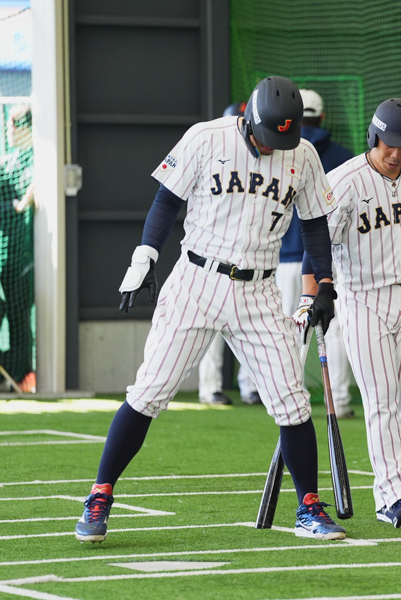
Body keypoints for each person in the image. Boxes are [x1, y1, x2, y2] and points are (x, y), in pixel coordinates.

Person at [74, 76, 346, 543]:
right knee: (149, 392)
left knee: (292, 401)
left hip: (259, 290)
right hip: (196, 281)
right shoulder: (206, 137)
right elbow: (166, 201)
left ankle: (308, 508)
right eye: (268, 135)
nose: (274, 145)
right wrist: (146, 255)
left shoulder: (302, 153)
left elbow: (315, 223)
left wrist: (324, 282)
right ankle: (100, 494)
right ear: (249, 118)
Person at [299, 98, 401, 528]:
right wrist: (314, 295)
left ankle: (399, 489)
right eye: (390, 144)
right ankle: (395, 494)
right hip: (364, 298)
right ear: (374, 136)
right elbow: (316, 241)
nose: (397, 153)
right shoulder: (344, 181)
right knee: (381, 399)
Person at [277, 89, 354, 418]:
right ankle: (339, 400)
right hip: (326, 260)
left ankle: (278, 397)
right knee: (333, 331)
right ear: (321, 117)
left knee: (282, 329)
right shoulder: (345, 157)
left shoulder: (279, 151)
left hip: (283, 256)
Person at [196, 101, 262, 406]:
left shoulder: (262, 162)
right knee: (209, 331)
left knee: (254, 331)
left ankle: (250, 387)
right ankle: (210, 389)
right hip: (210, 261)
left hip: (250, 265)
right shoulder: (210, 149)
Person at [0, 104, 35, 393]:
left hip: (23, 259)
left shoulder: (39, 161)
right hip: (5, 257)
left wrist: (25, 202)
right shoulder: (7, 164)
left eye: (13, 125)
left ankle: (17, 378)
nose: (9, 131)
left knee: (20, 320)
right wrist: (18, 204)